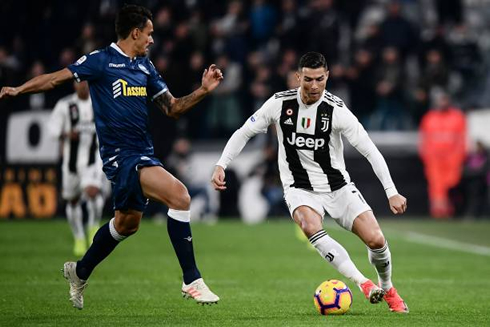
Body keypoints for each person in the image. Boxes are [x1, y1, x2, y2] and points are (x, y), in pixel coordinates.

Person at [0, 4, 223, 309]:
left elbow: (172, 108)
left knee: (126, 224)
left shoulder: (145, 67)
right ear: (135, 33)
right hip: (121, 157)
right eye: (149, 34)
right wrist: (18, 89)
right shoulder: (100, 61)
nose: (152, 40)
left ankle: (79, 271)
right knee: (180, 196)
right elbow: (55, 79)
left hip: (142, 152)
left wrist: (203, 90)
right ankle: (192, 280)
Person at [211, 52, 409, 313]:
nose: (314, 86)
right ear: (298, 77)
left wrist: (391, 192)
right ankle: (363, 282)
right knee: (309, 225)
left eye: (319, 79)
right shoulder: (279, 104)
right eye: (308, 80)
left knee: (376, 240)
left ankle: (388, 288)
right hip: (299, 188)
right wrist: (221, 163)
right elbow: (244, 132)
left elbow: (370, 150)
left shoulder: (337, 110)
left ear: (327, 77)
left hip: (338, 187)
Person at [47, 81, 106, 256]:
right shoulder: (65, 105)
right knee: (72, 200)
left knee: (93, 191)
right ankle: (79, 237)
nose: (84, 86)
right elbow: (51, 129)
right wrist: (65, 134)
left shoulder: (99, 102)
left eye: (87, 82)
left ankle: (93, 226)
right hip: (71, 163)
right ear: (74, 85)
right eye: (80, 82)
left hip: (92, 159)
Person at [419, 91, 466, 218]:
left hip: (452, 159)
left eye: (445, 100)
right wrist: (427, 156)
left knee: (451, 183)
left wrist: (459, 158)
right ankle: (439, 210)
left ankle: (451, 208)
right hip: (434, 159)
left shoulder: (457, 117)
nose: (443, 103)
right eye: (441, 100)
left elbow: (462, 140)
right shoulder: (429, 118)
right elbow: (425, 140)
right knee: (436, 184)